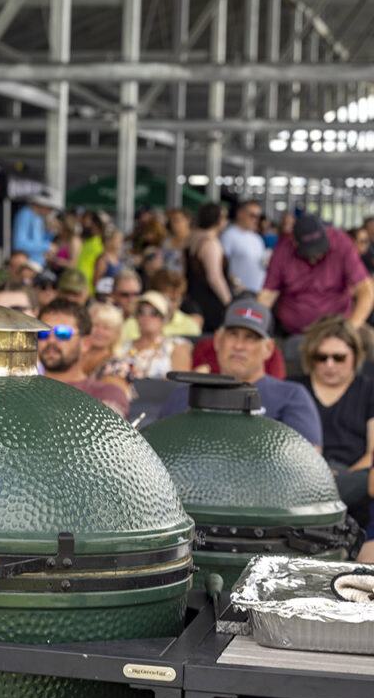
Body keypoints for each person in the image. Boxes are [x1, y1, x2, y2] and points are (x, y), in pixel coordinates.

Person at [158, 301, 321, 446]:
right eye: (232, 334)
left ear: (269, 349)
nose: (239, 345)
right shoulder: (184, 395)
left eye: (250, 338)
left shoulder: (291, 396)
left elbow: (307, 465)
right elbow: (157, 454)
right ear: (217, 340)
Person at [292, 316, 374, 532]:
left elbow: (372, 454)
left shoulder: (369, 390)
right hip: (300, 477)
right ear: (311, 357)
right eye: (322, 357)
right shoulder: (293, 389)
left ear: (355, 356)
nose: (330, 365)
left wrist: (337, 479)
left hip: (352, 476)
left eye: (339, 357)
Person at [258, 213, 373, 337]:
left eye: (320, 249)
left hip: (337, 328)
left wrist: (349, 329)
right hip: (292, 332)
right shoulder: (283, 249)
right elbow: (267, 295)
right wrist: (256, 328)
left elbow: (365, 290)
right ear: (295, 242)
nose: (316, 255)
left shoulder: (342, 242)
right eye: (310, 251)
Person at [37, 299, 129, 417]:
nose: (51, 340)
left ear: (85, 343)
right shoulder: (20, 392)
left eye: (62, 333)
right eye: (42, 333)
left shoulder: (106, 393)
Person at [121, 292, 192, 380]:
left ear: (165, 318)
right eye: (141, 311)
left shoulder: (176, 346)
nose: (146, 316)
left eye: (154, 312)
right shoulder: (123, 346)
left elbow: (181, 383)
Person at [186, 202, 233, 333]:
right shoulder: (211, 243)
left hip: (193, 296)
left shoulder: (190, 240)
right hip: (210, 301)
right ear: (217, 220)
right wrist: (228, 301)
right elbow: (214, 277)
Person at [82, 302, 130, 392]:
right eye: (95, 325)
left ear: (116, 334)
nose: (99, 331)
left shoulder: (117, 366)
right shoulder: (74, 356)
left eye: (106, 328)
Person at [220, 200, 266, 293]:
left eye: (258, 217)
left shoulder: (257, 238)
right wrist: (236, 283)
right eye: (252, 215)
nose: (256, 220)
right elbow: (221, 266)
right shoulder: (229, 235)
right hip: (239, 293)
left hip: (258, 292)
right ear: (240, 214)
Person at [13, 191, 59, 266]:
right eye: (50, 208)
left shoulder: (38, 218)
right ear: (42, 205)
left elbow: (37, 240)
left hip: (38, 264)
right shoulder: (25, 215)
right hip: (27, 265)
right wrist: (47, 246)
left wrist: (50, 232)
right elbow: (19, 244)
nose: (50, 212)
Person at [162, 208, 190, 273]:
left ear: (188, 220)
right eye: (171, 221)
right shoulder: (166, 240)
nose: (173, 224)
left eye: (177, 220)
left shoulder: (193, 240)